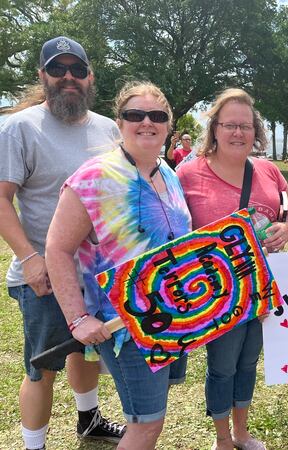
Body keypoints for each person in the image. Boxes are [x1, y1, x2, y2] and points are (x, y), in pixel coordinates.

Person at [45, 81, 192, 449]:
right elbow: (58, 248)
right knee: (145, 425)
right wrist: (78, 318)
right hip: (126, 326)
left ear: (168, 125)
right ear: (119, 121)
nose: (146, 122)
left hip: (171, 318)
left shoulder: (168, 174)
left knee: (148, 420)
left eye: (157, 116)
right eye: (135, 115)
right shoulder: (94, 177)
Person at [0, 36, 125, 450]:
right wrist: (30, 258)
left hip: (96, 274)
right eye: (57, 69)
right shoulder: (20, 126)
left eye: (76, 69)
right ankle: (34, 446)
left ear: (89, 77)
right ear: (43, 76)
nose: (67, 77)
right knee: (43, 368)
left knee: (86, 351)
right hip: (43, 276)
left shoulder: (109, 128)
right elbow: (1, 199)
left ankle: (88, 419)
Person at [177, 88, 288, 450]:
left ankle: (242, 431)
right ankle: (222, 438)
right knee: (223, 366)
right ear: (214, 128)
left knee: (248, 364)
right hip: (217, 293)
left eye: (245, 125)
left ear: (255, 131)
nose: (238, 133)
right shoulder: (187, 173)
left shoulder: (268, 170)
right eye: (230, 125)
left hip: (262, 291)